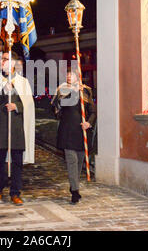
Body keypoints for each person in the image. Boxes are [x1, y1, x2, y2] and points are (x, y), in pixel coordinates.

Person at [0, 52, 35, 205]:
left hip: (16, 127)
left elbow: (29, 104)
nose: (3, 61)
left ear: (14, 62)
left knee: (17, 161)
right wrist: (3, 89)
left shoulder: (22, 82)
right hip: (0, 127)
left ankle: (15, 192)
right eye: (2, 59)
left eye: (6, 59)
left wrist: (17, 105)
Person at [51, 69, 97, 204]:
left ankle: (73, 185)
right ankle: (75, 192)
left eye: (72, 75)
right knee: (72, 161)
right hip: (67, 131)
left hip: (81, 132)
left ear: (79, 77)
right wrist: (75, 91)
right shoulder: (63, 89)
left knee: (79, 161)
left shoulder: (86, 91)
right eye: (68, 75)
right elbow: (60, 105)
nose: (69, 77)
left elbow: (93, 111)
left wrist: (89, 123)